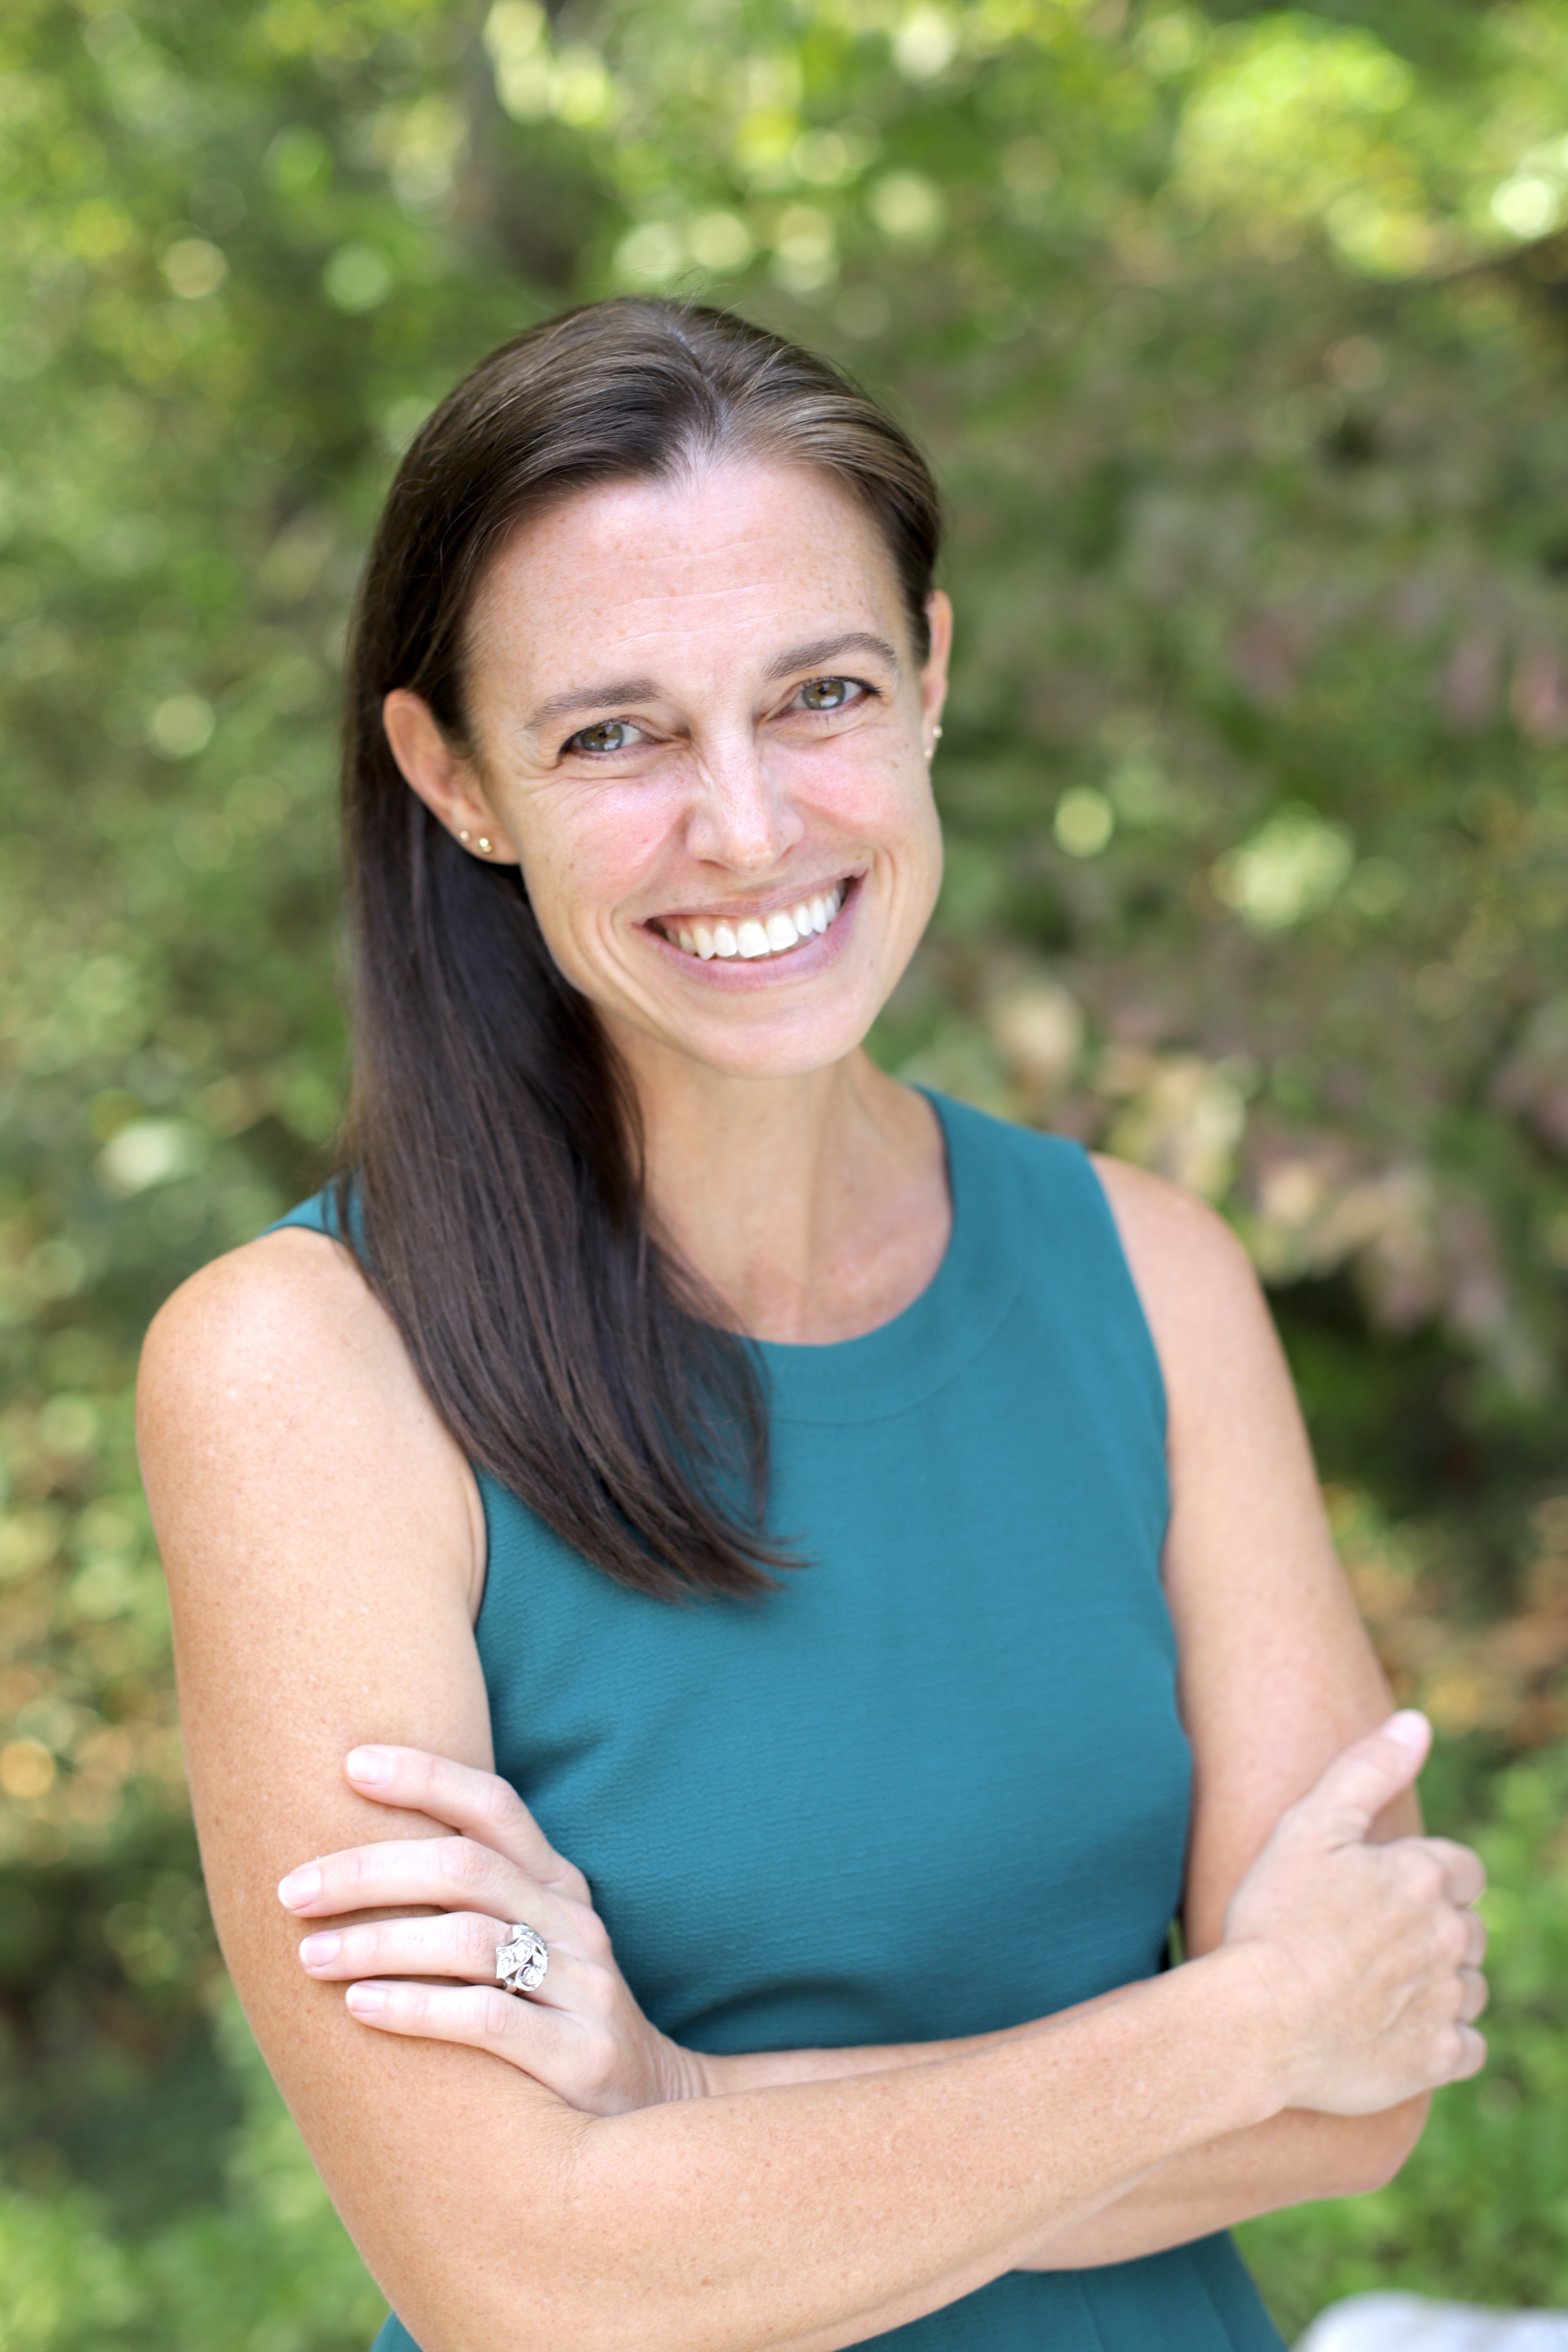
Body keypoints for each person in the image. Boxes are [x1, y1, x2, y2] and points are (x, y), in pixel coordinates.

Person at [137, 299, 1488, 2352]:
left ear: (933, 680)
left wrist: (678, 2112)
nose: (750, 825)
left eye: (823, 694)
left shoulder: (1154, 1279)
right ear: (456, 777)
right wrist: (1248, 2021)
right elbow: (514, 2269)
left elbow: (1365, 2096)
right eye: (615, 735)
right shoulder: (303, 1371)